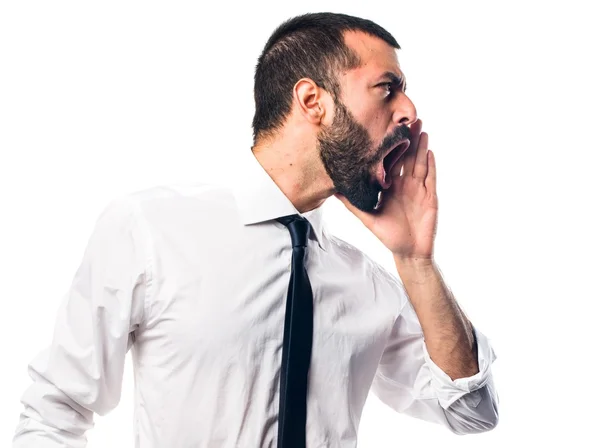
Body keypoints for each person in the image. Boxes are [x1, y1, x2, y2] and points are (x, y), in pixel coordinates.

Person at [13, 12, 499, 447]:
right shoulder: (151, 232)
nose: (408, 110)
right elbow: (53, 415)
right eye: (387, 87)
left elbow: (472, 413)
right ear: (313, 100)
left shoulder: (367, 285)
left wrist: (416, 261)